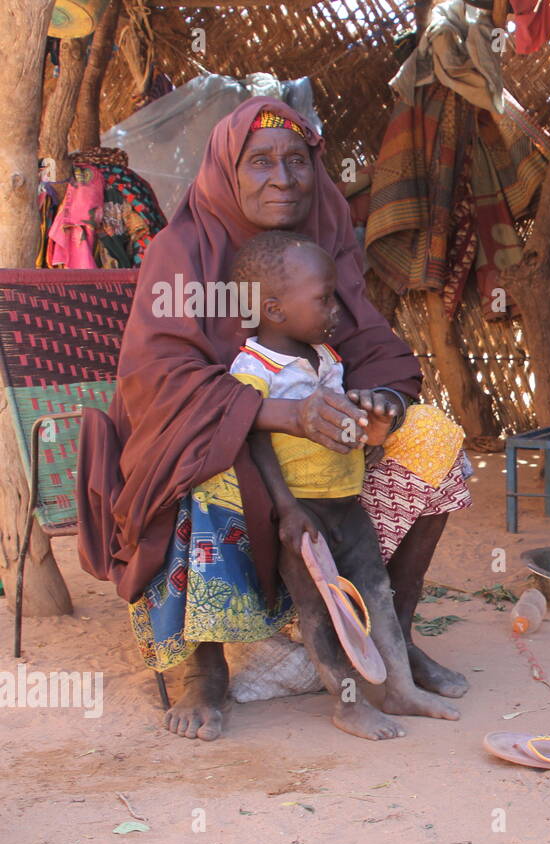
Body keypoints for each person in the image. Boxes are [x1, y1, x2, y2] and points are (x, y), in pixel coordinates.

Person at [77, 98, 469, 741]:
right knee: (200, 462)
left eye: (296, 161)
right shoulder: (183, 250)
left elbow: (370, 342)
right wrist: (282, 413)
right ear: (226, 171)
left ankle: (385, 636)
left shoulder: (325, 237)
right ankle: (202, 668)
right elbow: (157, 381)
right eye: (260, 162)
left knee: (433, 442)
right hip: (212, 436)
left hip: (323, 449)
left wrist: (381, 402)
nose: (282, 179)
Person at [231, 230, 447, 740]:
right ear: (275, 310)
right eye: (324, 299)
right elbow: (254, 441)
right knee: (321, 609)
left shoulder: (326, 358)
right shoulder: (253, 367)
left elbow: (344, 423)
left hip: (347, 504)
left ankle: (398, 688)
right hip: (303, 511)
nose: (336, 310)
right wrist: (286, 511)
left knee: (376, 589)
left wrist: (371, 414)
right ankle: (347, 704)